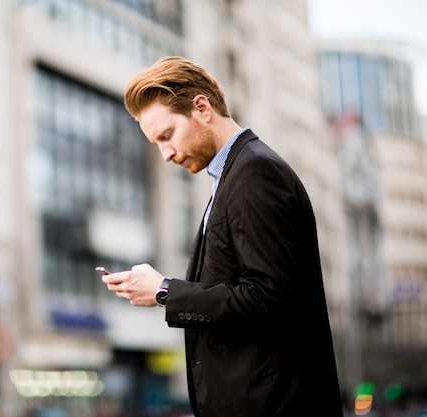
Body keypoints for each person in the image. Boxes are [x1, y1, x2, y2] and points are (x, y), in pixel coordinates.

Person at [101, 56, 343, 417]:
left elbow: (267, 299)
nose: (165, 154)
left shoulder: (255, 173)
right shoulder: (232, 176)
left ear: (202, 108)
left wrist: (165, 291)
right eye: (156, 143)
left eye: (167, 135)